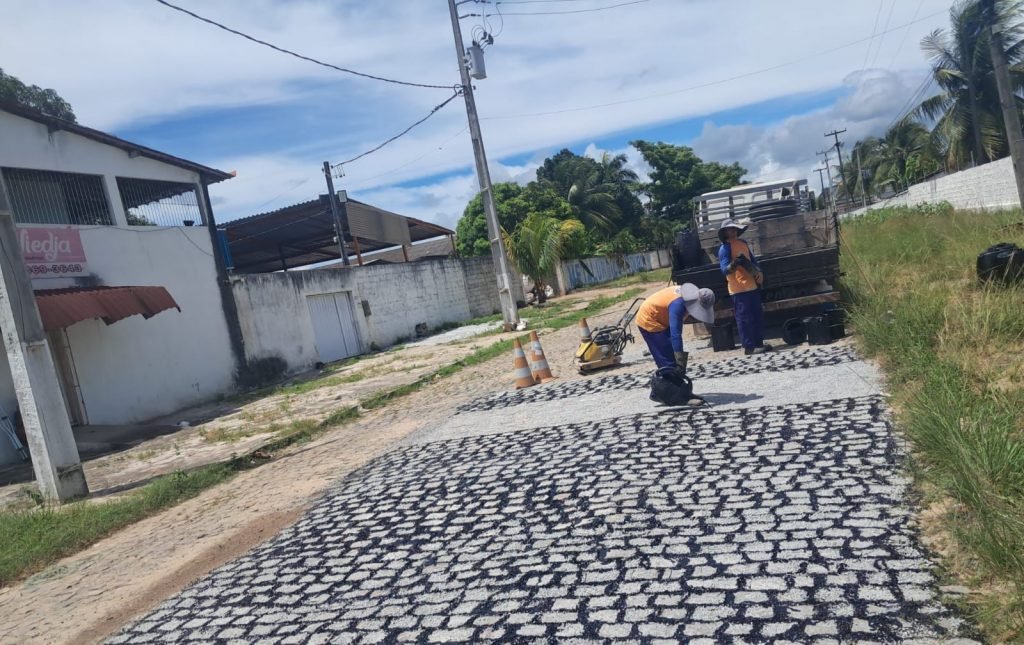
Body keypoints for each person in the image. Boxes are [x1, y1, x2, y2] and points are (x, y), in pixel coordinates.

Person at [636, 282, 716, 374]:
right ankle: (667, 379)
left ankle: (672, 375)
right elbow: (676, 335)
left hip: (661, 315)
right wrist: (680, 361)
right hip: (649, 318)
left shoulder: (690, 296)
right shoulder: (678, 305)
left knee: (672, 355)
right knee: (667, 359)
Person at [718, 218, 771, 355]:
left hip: (752, 286)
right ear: (725, 232)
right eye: (730, 229)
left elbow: (753, 260)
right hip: (738, 290)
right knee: (744, 319)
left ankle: (759, 344)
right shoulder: (725, 249)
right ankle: (749, 347)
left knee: (757, 316)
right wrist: (734, 264)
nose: (733, 231)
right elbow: (724, 270)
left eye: (734, 228)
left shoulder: (743, 243)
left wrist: (759, 272)